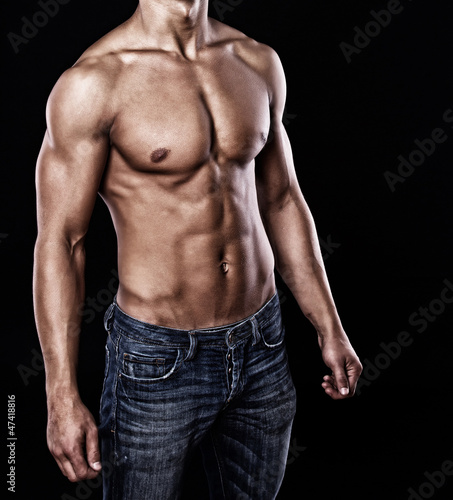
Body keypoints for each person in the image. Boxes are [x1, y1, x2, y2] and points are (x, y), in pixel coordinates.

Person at [33, 1, 363, 498]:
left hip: (262, 347)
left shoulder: (255, 61)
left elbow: (281, 200)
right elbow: (61, 242)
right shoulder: (94, 83)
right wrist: (60, 395)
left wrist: (329, 326)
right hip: (158, 360)